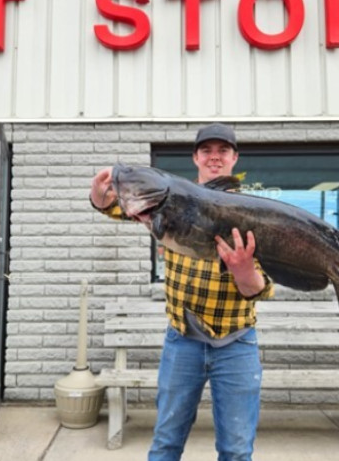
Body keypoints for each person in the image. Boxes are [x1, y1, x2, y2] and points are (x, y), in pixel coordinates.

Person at [90, 123, 274, 461]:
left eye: (222, 151)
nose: (214, 157)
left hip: (237, 344)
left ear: (234, 158)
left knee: (236, 450)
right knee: (166, 444)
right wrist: (99, 195)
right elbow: (116, 207)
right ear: (195, 157)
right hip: (182, 341)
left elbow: (260, 289)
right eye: (207, 151)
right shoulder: (170, 200)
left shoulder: (252, 212)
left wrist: (244, 272)